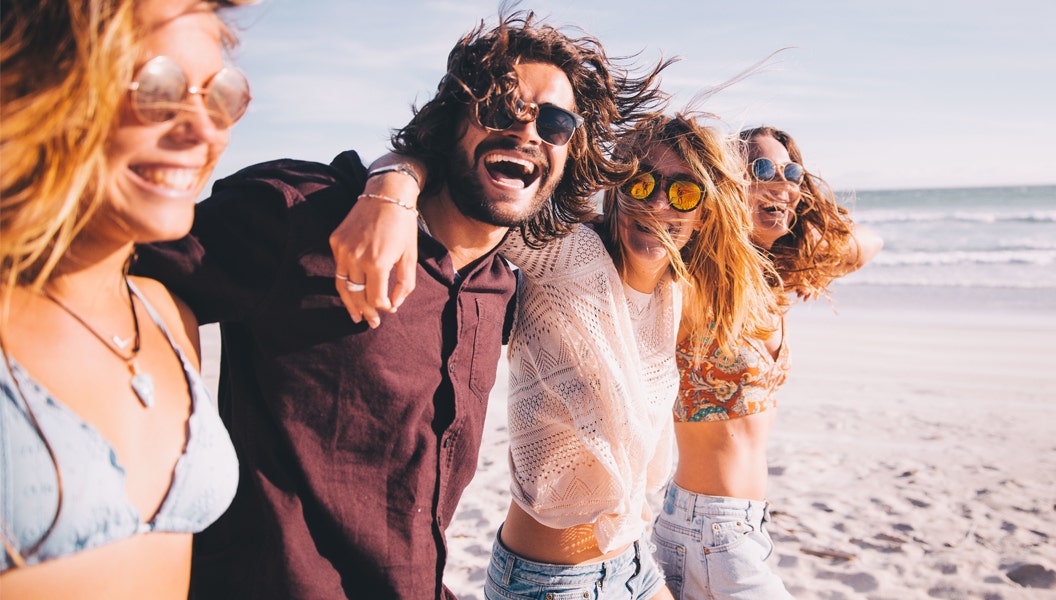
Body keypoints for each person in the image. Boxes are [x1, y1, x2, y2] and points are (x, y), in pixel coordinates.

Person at [131, 11, 668, 600]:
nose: (526, 130)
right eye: (498, 106)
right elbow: (104, 267)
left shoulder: (502, 289)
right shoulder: (302, 218)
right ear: (449, 121)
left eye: (555, 122)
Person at [348, 112, 776, 599]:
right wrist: (393, 186)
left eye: (684, 192)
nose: (658, 203)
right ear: (617, 187)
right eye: (641, 183)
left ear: (705, 212)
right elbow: (465, 190)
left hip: (637, 566)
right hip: (552, 584)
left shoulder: (675, 291)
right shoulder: (570, 255)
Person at [0, 0, 251, 597]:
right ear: (42, 87)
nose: (205, 130)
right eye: (158, 90)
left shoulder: (167, 314)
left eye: (220, 95)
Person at [651, 125, 883, 599]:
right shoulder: (695, 280)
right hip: (713, 529)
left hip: (732, 524)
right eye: (760, 169)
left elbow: (869, 241)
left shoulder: (767, 284)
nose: (781, 181)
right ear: (727, 184)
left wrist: (805, 243)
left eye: (791, 172)